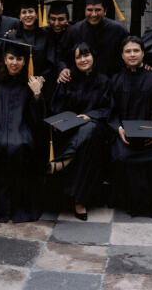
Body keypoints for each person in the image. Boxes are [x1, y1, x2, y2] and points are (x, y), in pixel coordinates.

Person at [49, 42, 112, 220]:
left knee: (90, 132)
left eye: (86, 55)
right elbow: (56, 107)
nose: (83, 59)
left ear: (93, 56)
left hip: (96, 127)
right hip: (69, 129)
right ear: (73, 60)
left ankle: (65, 161)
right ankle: (79, 199)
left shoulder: (103, 81)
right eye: (78, 57)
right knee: (84, 138)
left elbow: (108, 109)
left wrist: (90, 116)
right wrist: (69, 119)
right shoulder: (67, 79)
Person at [109, 36, 152, 218]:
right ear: (122, 55)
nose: (132, 54)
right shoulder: (116, 80)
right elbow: (111, 111)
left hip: (150, 136)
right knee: (122, 155)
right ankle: (132, 205)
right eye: (128, 51)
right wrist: (118, 128)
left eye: (136, 50)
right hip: (124, 136)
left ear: (143, 53)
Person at [0, 38, 45, 223]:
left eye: (19, 59)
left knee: (19, 146)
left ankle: (21, 207)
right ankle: (2, 207)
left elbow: (37, 118)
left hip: (23, 129)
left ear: (24, 61)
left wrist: (37, 95)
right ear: (5, 59)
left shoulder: (31, 83)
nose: (14, 63)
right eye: (11, 58)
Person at [58, 0, 129, 82]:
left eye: (98, 10)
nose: (93, 14)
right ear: (85, 10)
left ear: (105, 11)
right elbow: (60, 55)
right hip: (82, 84)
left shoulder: (118, 30)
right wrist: (63, 68)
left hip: (112, 82)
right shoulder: (74, 31)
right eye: (89, 10)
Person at [7, 0, 55, 83]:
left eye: (31, 11)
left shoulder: (46, 35)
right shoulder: (12, 36)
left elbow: (51, 61)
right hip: (18, 83)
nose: (27, 15)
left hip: (42, 83)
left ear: (36, 15)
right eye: (24, 12)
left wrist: (42, 78)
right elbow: (6, 60)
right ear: (20, 17)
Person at [44, 0, 72, 66]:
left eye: (61, 19)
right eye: (53, 19)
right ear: (48, 19)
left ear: (67, 19)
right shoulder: (45, 33)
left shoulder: (72, 34)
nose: (56, 24)